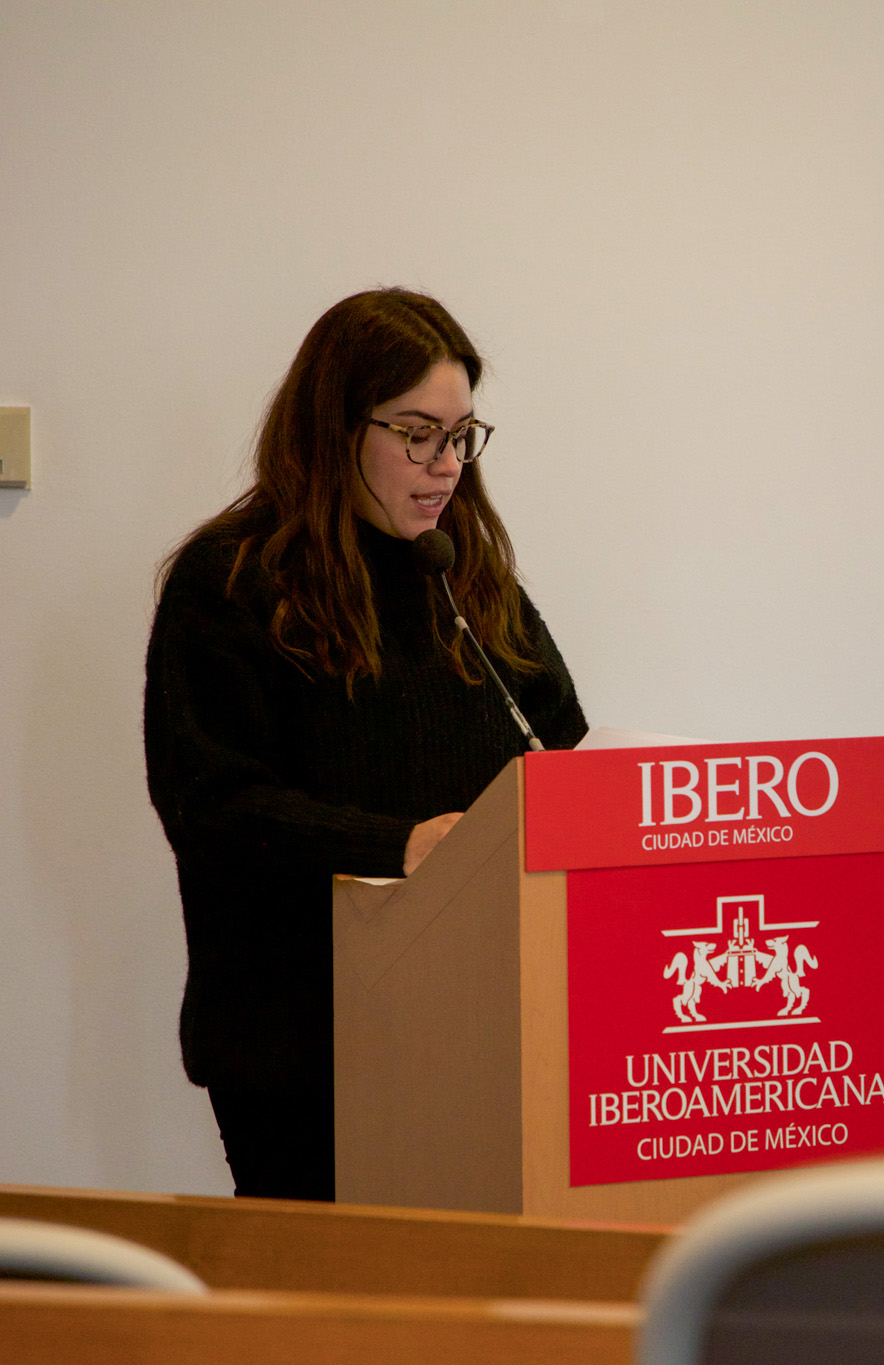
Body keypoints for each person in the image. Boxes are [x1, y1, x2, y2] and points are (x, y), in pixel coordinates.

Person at [143, 289, 588, 1200]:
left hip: (477, 1025)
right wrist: (402, 846)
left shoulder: (465, 573)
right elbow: (211, 806)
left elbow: (562, 748)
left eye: (461, 435)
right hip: (302, 1050)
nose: (446, 465)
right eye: (417, 434)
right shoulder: (230, 581)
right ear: (333, 427)